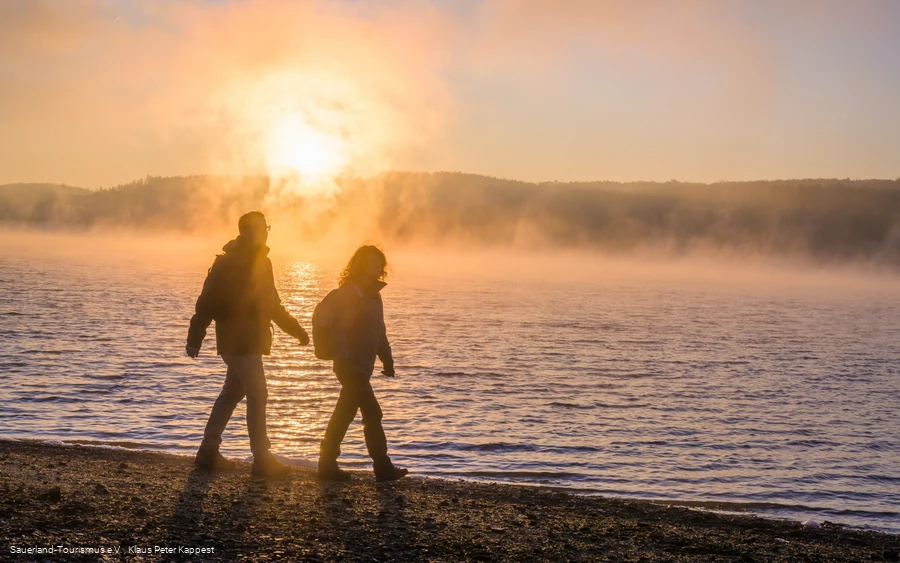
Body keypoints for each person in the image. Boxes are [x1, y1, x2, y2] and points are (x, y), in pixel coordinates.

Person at [186, 211, 309, 478]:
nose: (263, 233)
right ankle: (262, 459)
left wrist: (296, 330)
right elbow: (206, 302)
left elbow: (272, 304)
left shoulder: (264, 263)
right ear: (243, 231)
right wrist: (195, 336)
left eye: (265, 228)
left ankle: (207, 452)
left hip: (252, 341)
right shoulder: (227, 264)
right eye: (256, 229)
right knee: (258, 394)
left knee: (232, 393)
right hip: (236, 341)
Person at [318, 245, 408, 482]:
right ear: (359, 264)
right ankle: (382, 467)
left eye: (378, 263)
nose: (375, 267)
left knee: (344, 413)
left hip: (362, 366)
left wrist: (387, 360)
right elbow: (338, 328)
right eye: (370, 262)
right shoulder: (350, 292)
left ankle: (326, 464)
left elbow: (379, 332)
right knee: (372, 413)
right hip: (349, 365)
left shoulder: (374, 295)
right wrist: (343, 358)